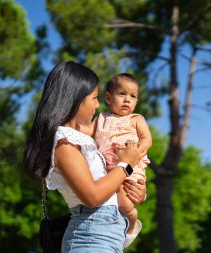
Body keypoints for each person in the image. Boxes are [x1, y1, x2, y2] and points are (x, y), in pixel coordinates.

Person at [23, 61, 147, 253]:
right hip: (91, 236)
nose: (98, 105)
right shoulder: (64, 142)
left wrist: (135, 189)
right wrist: (126, 164)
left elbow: (105, 184)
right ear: (75, 98)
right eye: (95, 98)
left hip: (104, 235)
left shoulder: (79, 138)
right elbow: (92, 196)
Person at [91, 73, 152, 247]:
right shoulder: (101, 118)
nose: (127, 100)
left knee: (123, 200)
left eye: (132, 96)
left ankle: (131, 217)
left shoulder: (135, 119)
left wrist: (138, 150)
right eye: (122, 94)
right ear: (109, 98)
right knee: (110, 194)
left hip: (131, 166)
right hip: (108, 168)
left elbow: (147, 138)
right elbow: (86, 131)